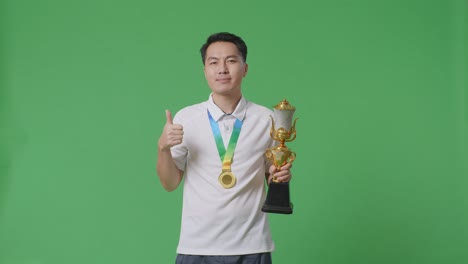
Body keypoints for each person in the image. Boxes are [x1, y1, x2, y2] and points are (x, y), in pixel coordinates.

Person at [157, 32, 292, 264]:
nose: (222, 69)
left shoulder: (267, 119)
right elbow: (169, 183)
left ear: (245, 68)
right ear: (205, 70)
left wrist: (281, 175)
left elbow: (273, 179)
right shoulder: (186, 118)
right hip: (196, 246)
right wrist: (163, 148)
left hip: (252, 246)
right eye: (213, 62)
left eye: (231, 61)